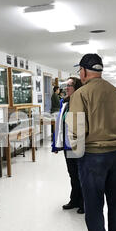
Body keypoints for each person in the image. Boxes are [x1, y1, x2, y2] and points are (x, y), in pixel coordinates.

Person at [66, 54, 116, 231]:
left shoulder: (81, 94)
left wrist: (77, 155)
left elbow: (76, 130)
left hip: (93, 156)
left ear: (83, 72)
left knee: (93, 204)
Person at [52, 77, 84, 214]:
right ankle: (74, 200)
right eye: (66, 85)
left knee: (81, 174)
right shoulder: (64, 103)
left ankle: (83, 202)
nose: (66, 88)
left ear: (76, 87)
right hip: (67, 145)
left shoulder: (81, 102)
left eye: (70, 85)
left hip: (77, 144)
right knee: (73, 174)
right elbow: (60, 124)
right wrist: (56, 144)